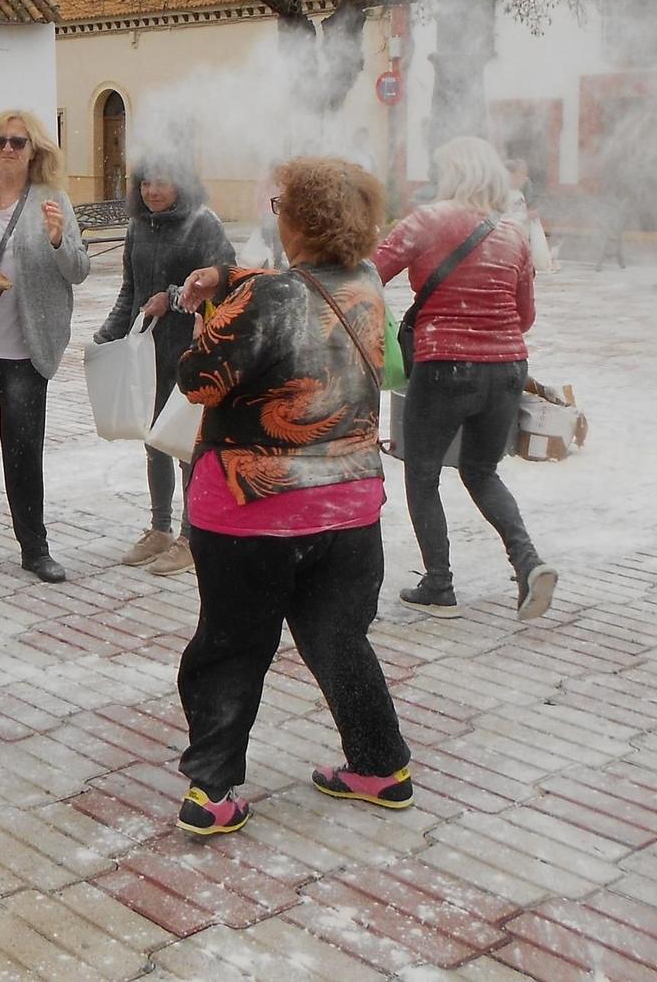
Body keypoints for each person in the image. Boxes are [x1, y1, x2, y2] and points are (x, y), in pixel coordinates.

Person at [167, 156, 414, 838]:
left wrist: (207, 321)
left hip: (254, 506)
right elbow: (294, 290)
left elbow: (197, 381)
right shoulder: (367, 283)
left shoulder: (268, 300)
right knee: (339, 638)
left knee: (232, 645)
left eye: (279, 208)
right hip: (350, 504)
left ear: (296, 219)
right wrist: (227, 277)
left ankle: (213, 790)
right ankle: (381, 765)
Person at [376, 137, 558, 622]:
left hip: (444, 366)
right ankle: (527, 562)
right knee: (481, 471)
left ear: (451, 174)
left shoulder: (427, 220)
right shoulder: (513, 234)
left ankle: (438, 584)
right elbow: (524, 317)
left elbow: (370, 272)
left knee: (422, 471)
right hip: (508, 369)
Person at [0, 109, 91, 582]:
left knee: (24, 450)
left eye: (18, 142)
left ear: (34, 151)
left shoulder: (52, 199)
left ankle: (34, 548)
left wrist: (58, 241)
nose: (7, 149)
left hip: (26, 349)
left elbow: (79, 271)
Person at [93, 156, 234, 576]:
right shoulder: (138, 226)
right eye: (145, 183)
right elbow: (131, 290)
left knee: (185, 442)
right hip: (149, 354)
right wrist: (108, 336)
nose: (152, 191)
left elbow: (225, 285)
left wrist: (171, 299)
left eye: (162, 182)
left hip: (191, 352)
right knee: (153, 439)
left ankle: (192, 535)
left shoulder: (203, 224)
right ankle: (160, 528)